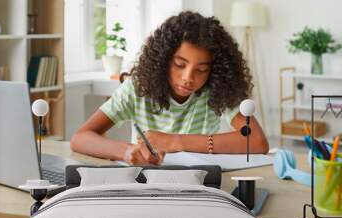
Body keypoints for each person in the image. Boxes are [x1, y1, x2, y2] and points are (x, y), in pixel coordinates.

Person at [71, 11, 269, 165]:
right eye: (180, 65)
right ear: (163, 59)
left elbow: (257, 142)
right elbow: (80, 138)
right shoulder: (137, 88)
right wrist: (125, 151)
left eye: (201, 69)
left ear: (214, 71)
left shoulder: (217, 89)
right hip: (146, 182)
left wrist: (176, 141)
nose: (188, 78)